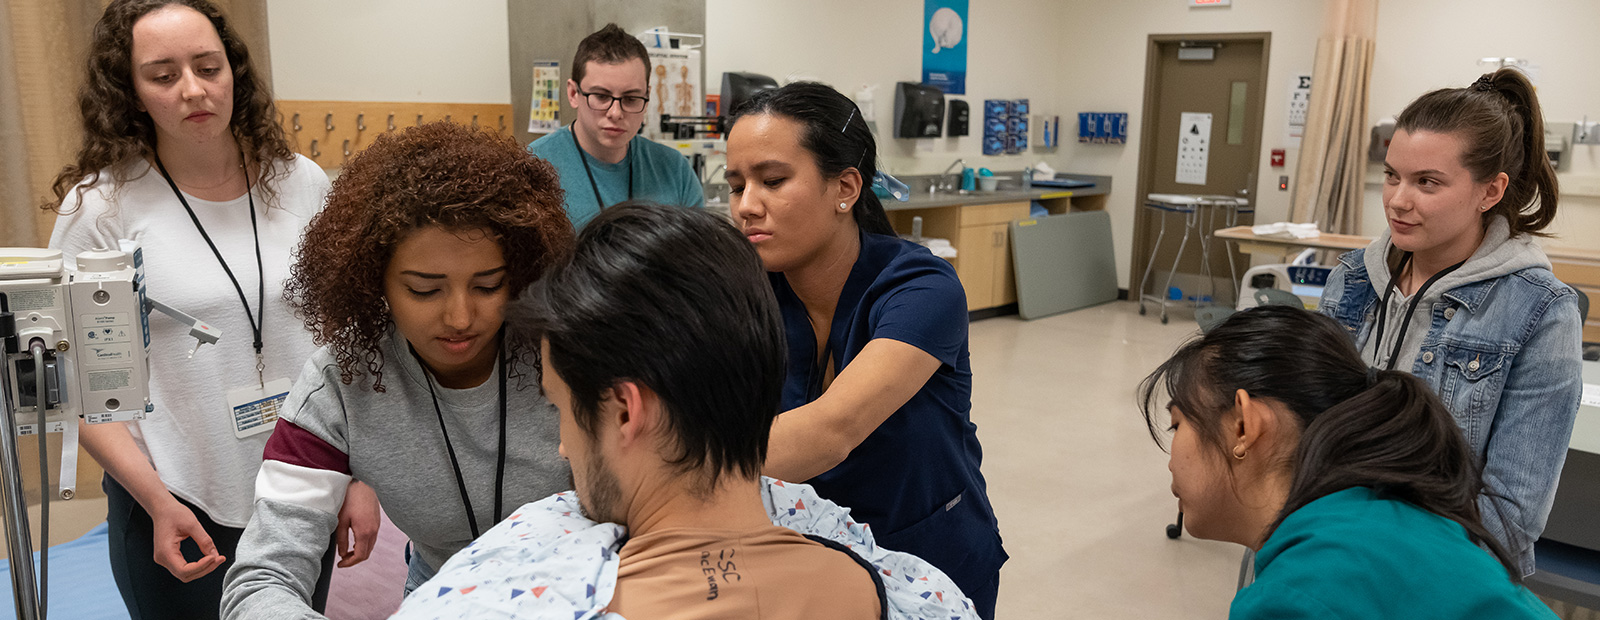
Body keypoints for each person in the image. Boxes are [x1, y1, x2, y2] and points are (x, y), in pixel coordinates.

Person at [391, 203, 978, 620]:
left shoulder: (494, 592)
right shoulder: (900, 587)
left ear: (625, 410)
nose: (563, 447)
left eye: (561, 410)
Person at [44, 1, 364, 616]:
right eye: (163, 76)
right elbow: (78, 387)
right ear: (132, 92)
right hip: (175, 499)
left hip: (301, 490)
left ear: (233, 73)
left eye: (207, 66)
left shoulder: (300, 184)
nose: (193, 89)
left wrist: (360, 476)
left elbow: (349, 343)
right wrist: (158, 502)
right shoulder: (101, 210)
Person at [220, 121, 574, 618]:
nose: (459, 317)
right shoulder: (342, 383)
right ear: (372, 281)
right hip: (440, 594)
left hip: (579, 589)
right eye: (424, 290)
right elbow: (262, 579)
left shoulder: (569, 358)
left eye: (488, 285)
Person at [724, 82, 1006, 618]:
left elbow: (833, 429)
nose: (746, 206)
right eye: (736, 186)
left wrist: (671, 466)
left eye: (773, 180)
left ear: (846, 188)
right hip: (815, 563)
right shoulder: (751, 296)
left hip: (931, 554)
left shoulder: (922, 287)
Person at [1319, 67, 1583, 575]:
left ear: (1490, 192)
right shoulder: (1353, 278)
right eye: (1392, 175)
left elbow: (1509, 516)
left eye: (1427, 183)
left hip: (1435, 576)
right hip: (1331, 549)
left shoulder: (1540, 313)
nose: (1398, 200)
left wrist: (1385, 562)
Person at [1142, 306, 1558, 619]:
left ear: (1242, 427)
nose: (1171, 456)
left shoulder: (1299, 595)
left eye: (1178, 424)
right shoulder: (1382, 518)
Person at [527, 23, 703, 229]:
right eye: (601, 96)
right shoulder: (532, 169)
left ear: (647, 96)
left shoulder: (674, 170)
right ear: (574, 94)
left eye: (631, 99)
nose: (616, 113)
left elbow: (699, 256)